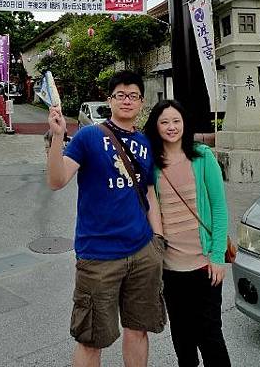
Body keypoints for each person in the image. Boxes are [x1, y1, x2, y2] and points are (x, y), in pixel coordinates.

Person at [46, 70, 166, 367]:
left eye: (133, 95)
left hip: (142, 251)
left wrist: (158, 241)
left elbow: (149, 193)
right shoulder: (88, 137)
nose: (127, 101)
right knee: (91, 340)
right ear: (109, 100)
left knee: (138, 330)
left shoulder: (145, 142)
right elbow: (57, 180)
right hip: (98, 256)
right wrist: (58, 136)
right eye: (120, 95)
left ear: (141, 102)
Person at [144, 99, 231, 367]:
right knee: (182, 338)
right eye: (164, 122)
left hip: (205, 265)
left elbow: (219, 208)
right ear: (156, 127)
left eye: (176, 121)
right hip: (171, 269)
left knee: (210, 337)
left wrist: (217, 256)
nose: (171, 127)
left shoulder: (202, 156)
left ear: (185, 124)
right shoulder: (152, 164)